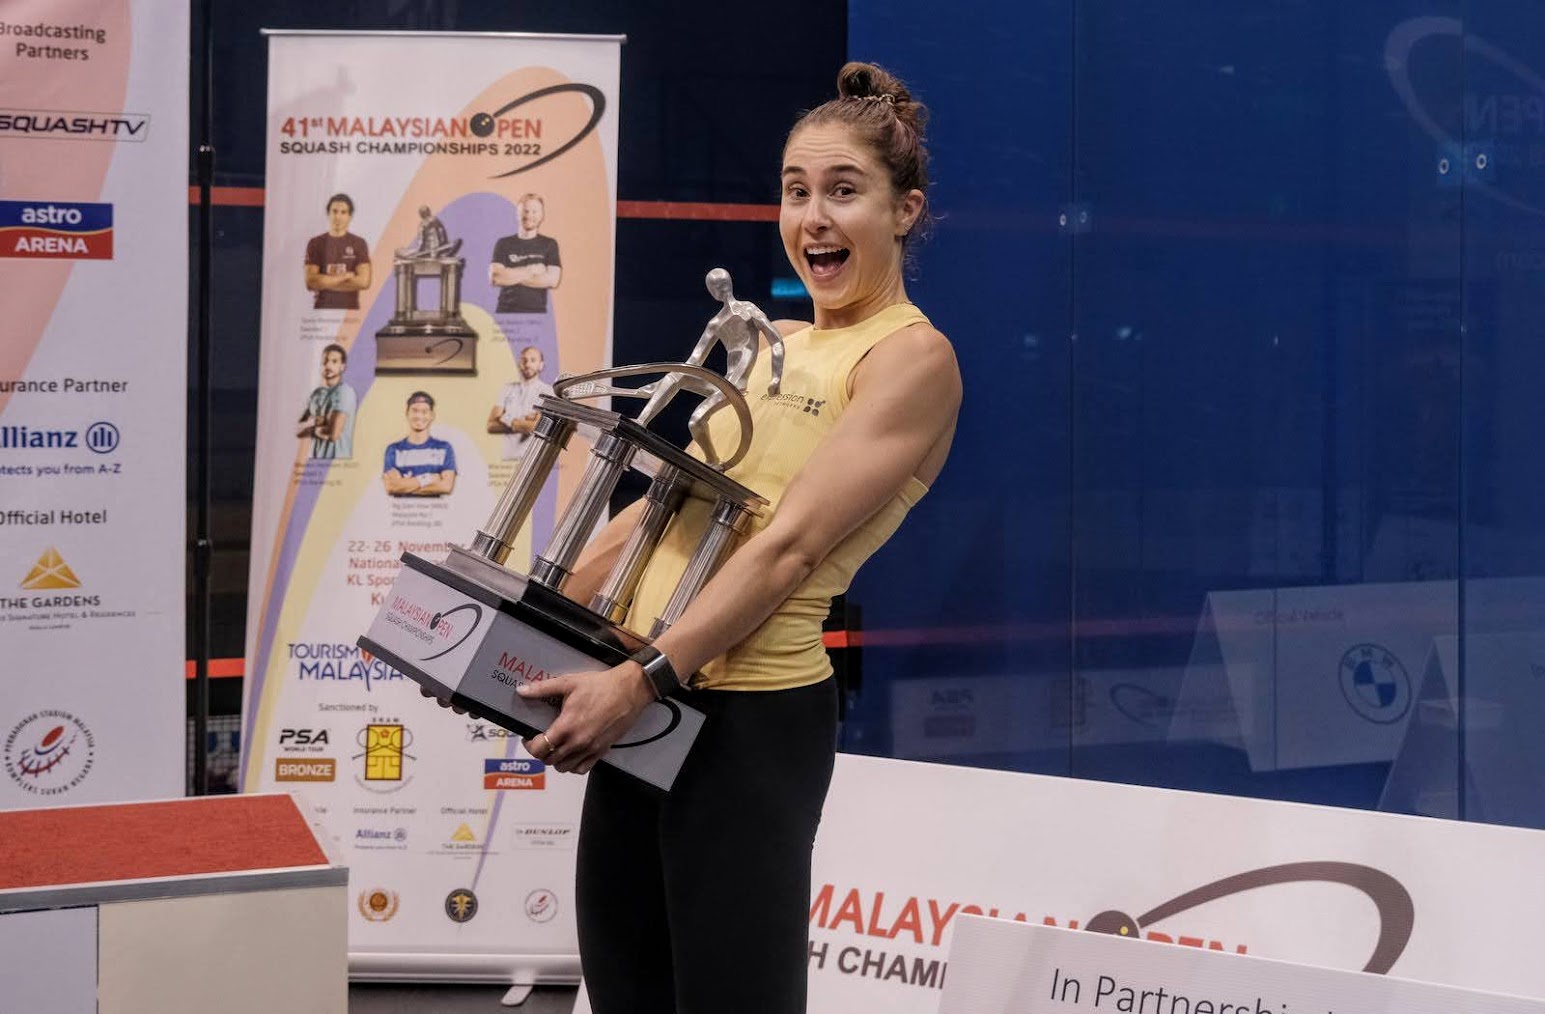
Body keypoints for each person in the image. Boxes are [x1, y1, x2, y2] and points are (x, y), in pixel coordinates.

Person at [513, 62, 961, 1013]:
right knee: (628, 990)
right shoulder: (774, 344)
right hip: (645, 694)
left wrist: (640, 680)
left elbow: (788, 549)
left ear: (904, 211)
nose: (813, 219)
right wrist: (516, 619)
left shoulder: (911, 358)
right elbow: (660, 507)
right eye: (796, 192)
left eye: (843, 191)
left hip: (747, 722)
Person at [489, 193, 562, 313]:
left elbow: (553, 280)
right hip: (505, 313)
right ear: (517, 214)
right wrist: (531, 270)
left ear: (542, 215)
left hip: (537, 314)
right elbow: (496, 278)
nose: (529, 215)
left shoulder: (549, 244)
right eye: (525, 211)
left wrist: (510, 275)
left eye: (534, 211)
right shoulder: (503, 243)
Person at [303, 193, 371, 310]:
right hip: (321, 312)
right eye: (334, 211)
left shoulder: (359, 243)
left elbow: (363, 282)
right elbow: (311, 282)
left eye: (343, 212)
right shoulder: (316, 243)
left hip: (349, 313)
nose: (338, 217)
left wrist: (324, 282)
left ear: (349, 216)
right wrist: (345, 276)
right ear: (328, 214)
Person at [382, 391, 457, 496]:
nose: (419, 416)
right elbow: (391, 487)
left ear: (432, 415)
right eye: (414, 411)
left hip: (435, 507)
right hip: (401, 507)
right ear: (407, 413)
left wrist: (404, 485)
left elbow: (446, 487)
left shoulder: (444, 448)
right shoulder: (394, 450)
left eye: (424, 412)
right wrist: (429, 478)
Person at [487, 345, 554, 460]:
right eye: (524, 360)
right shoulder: (507, 389)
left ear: (541, 365)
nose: (527, 364)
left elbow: (537, 428)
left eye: (533, 360)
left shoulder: (549, 392)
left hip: (533, 459)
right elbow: (491, 426)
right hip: (507, 460)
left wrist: (506, 418)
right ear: (519, 364)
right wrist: (525, 421)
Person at [296, 343, 356, 458]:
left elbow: (333, 434)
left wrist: (312, 427)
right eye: (325, 361)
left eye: (334, 361)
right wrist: (320, 423)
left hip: (338, 462)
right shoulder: (316, 394)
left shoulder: (345, 392)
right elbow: (297, 430)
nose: (328, 365)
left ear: (342, 367)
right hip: (317, 460)